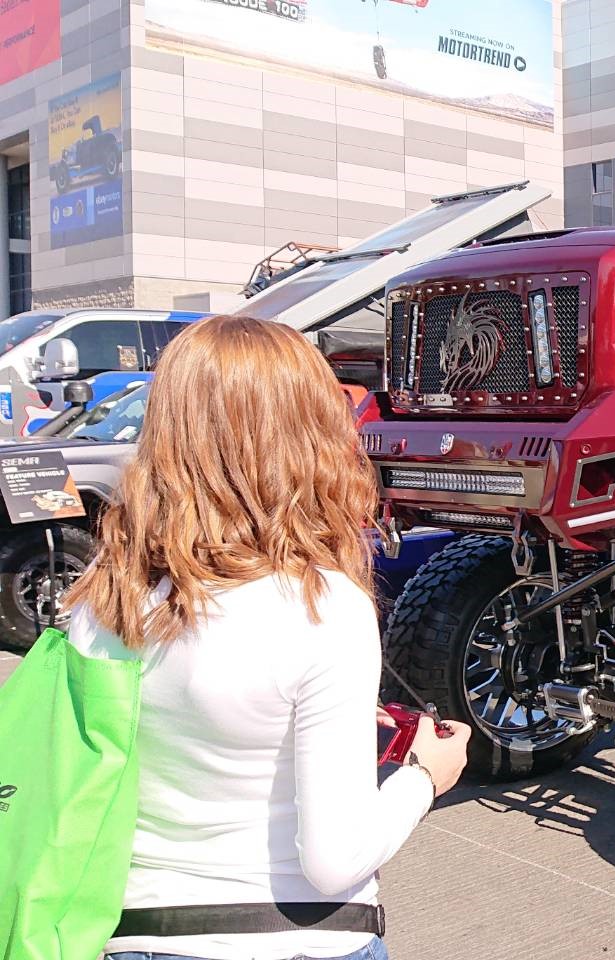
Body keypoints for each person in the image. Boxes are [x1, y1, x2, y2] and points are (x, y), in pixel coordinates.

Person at [63, 315, 471, 960]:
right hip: (288, 937)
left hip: (128, 929)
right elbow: (335, 862)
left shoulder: (104, 593)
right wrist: (425, 775)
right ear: (311, 432)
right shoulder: (320, 606)